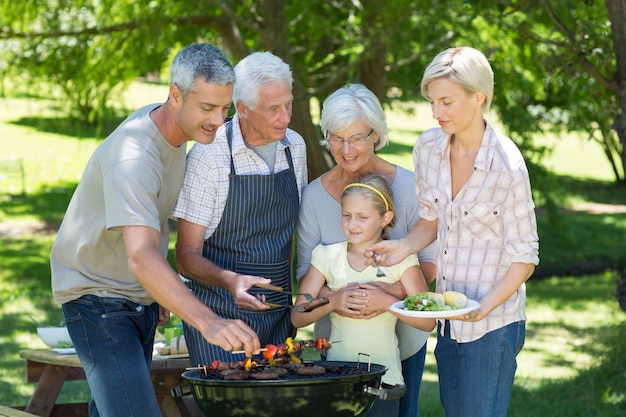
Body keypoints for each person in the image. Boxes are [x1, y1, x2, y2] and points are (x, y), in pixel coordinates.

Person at [50, 43, 263, 417]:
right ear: (175, 96)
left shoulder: (174, 133)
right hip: (97, 300)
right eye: (207, 107)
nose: (219, 119)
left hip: (137, 299)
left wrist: (158, 293)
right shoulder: (133, 156)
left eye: (225, 107)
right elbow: (141, 255)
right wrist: (207, 321)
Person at [367, 46, 540, 417]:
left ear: (478, 98)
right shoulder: (428, 148)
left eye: (446, 102)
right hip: (448, 321)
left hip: (492, 324)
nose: (436, 112)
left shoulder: (507, 165)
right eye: (432, 102)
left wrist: (482, 309)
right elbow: (431, 220)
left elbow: (525, 258)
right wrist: (402, 246)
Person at [296, 83, 436, 417]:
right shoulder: (315, 197)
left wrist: (386, 293)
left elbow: (429, 264)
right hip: (339, 351)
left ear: (376, 134)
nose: (346, 149)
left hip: (402, 342)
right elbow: (305, 273)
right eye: (336, 137)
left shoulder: (410, 187)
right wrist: (340, 299)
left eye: (357, 137)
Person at [171, 51, 308, 365]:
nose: (285, 117)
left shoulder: (294, 147)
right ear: (243, 109)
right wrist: (231, 280)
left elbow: (289, 237)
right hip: (220, 318)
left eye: (289, 104)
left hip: (277, 313)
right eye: (273, 109)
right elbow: (185, 256)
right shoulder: (209, 158)